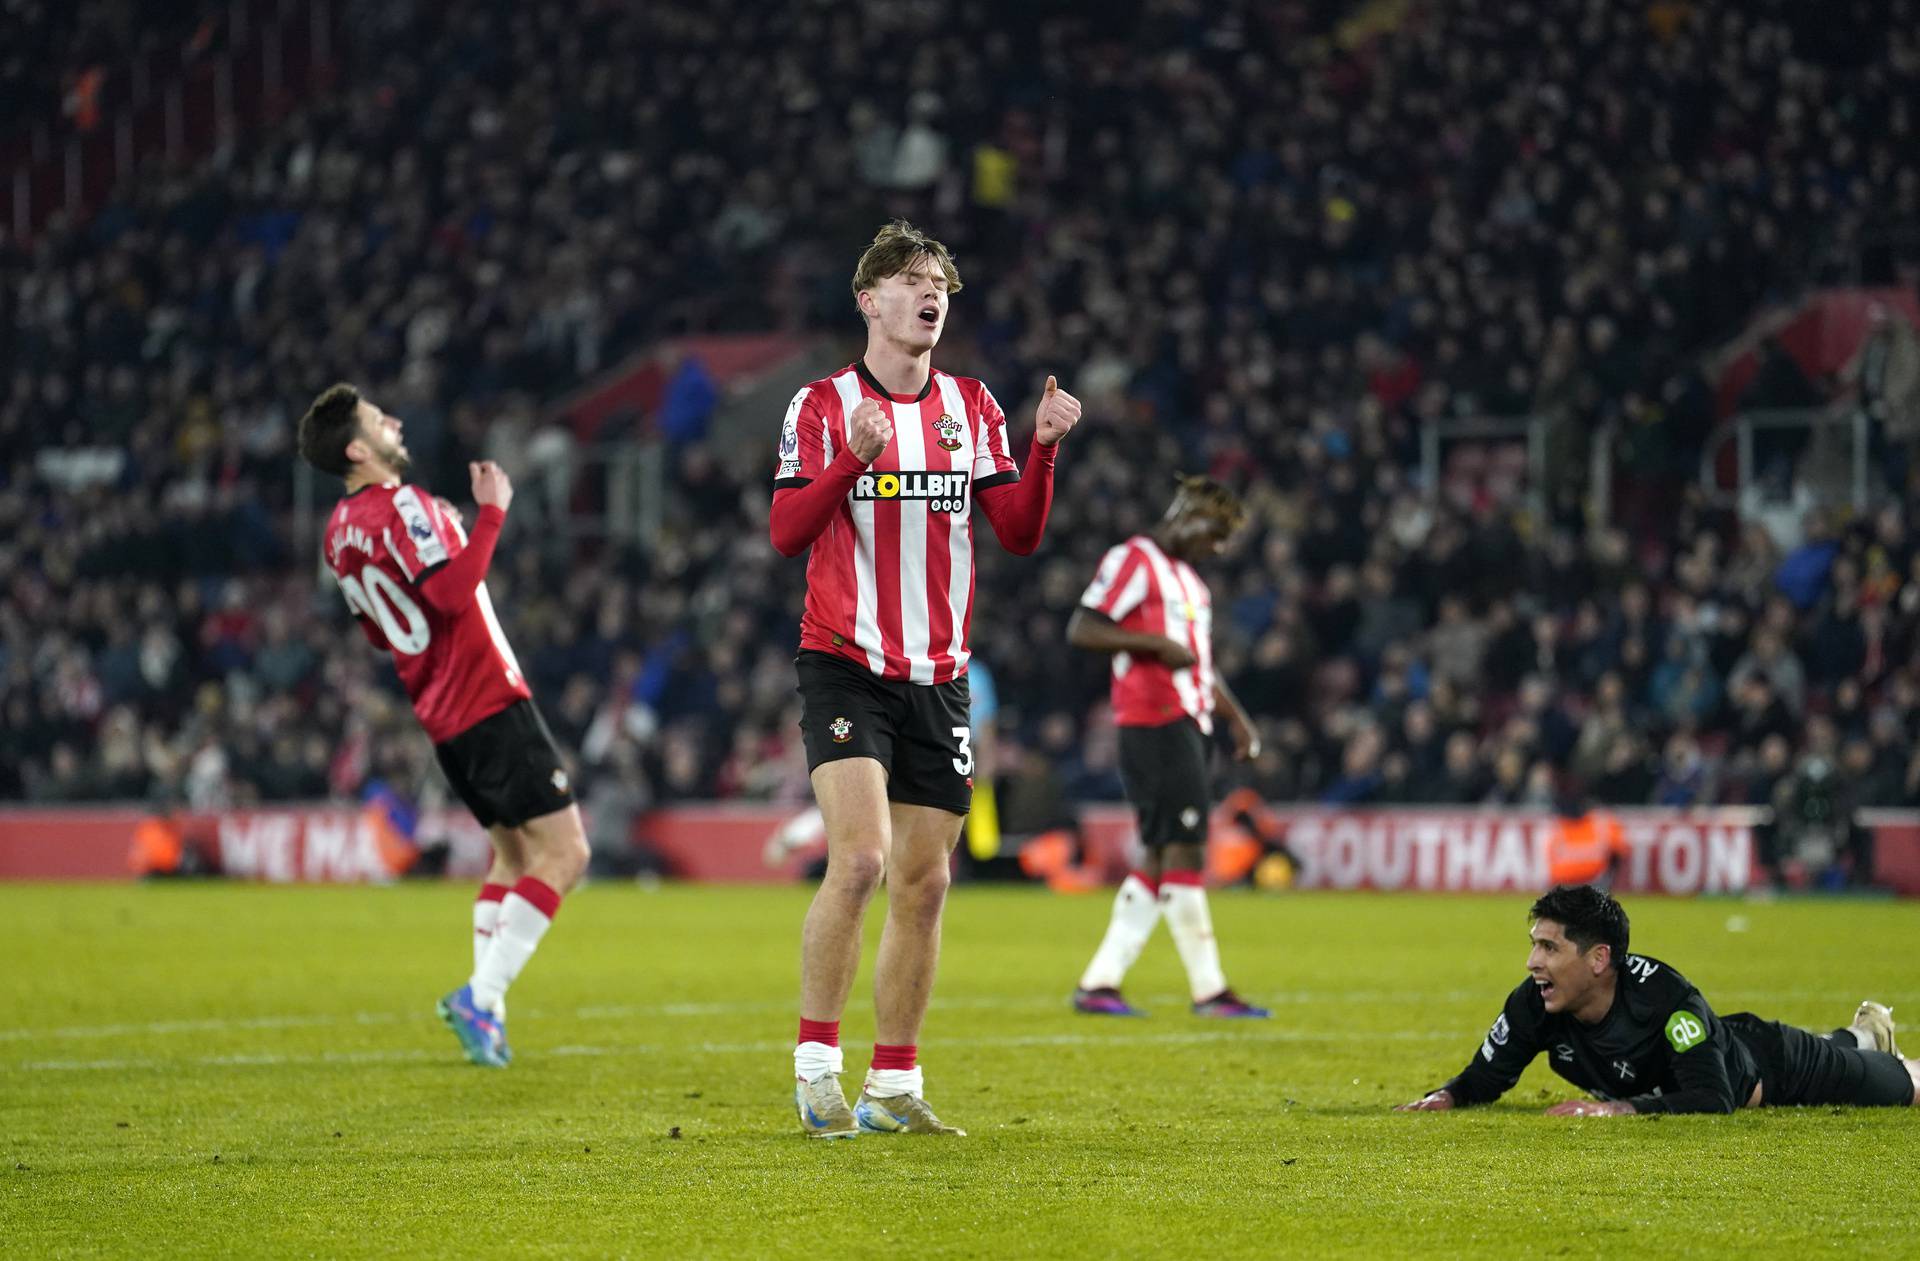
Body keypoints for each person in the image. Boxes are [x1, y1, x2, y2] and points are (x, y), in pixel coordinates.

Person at [769, 221, 1082, 1139]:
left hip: (939, 675)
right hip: (845, 662)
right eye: (910, 280)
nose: (930, 293)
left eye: (939, 280)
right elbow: (787, 534)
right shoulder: (822, 406)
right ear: (869, 301)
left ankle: (894, 1083)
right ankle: (818, 1066)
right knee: (860, 858)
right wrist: (850, 462)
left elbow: (1017, 532)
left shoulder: (974, 406)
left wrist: (1045, 449)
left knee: (926, 880)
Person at [297, 383, 589, 1068]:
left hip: (441, 718)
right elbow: (451, 596)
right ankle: (481, 998)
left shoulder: (338, 533)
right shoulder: (406, 504)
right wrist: (491, 516)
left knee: (511, 857)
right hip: (488, 699)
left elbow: (378, 632)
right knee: (567, 853)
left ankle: (488, 1019)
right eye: (378, 418)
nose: (394, 421)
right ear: (358, 448)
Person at [1397, 885, 1917, 1115]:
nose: (1533, 962)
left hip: (1771, 1065)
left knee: (1901, 1086)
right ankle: (1861, 1035)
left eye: (1548, 947)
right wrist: (1448, 1096)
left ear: (1599, 959)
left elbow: (1712, 1097)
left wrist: (1618, 1111)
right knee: (1856, 1050)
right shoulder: (1537, 1001)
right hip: (1721, 1043)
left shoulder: (1668, 1003)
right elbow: (1485, 1077)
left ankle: (1870, 1047)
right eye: (1534, 944)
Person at [1065, 476, 1270, 1019]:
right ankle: (1210, 991)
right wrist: (1151, 643)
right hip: (1152, 720)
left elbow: (1198, 661)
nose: (1219, 548)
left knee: (1161, 854)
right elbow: (1084, 627)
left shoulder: (1190, 583)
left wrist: (1239, 721)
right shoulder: (1134, 559)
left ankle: (1099, 983)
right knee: (1184, 850)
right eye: (1216, 533)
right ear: (1186, 516)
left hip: (1189, 719)